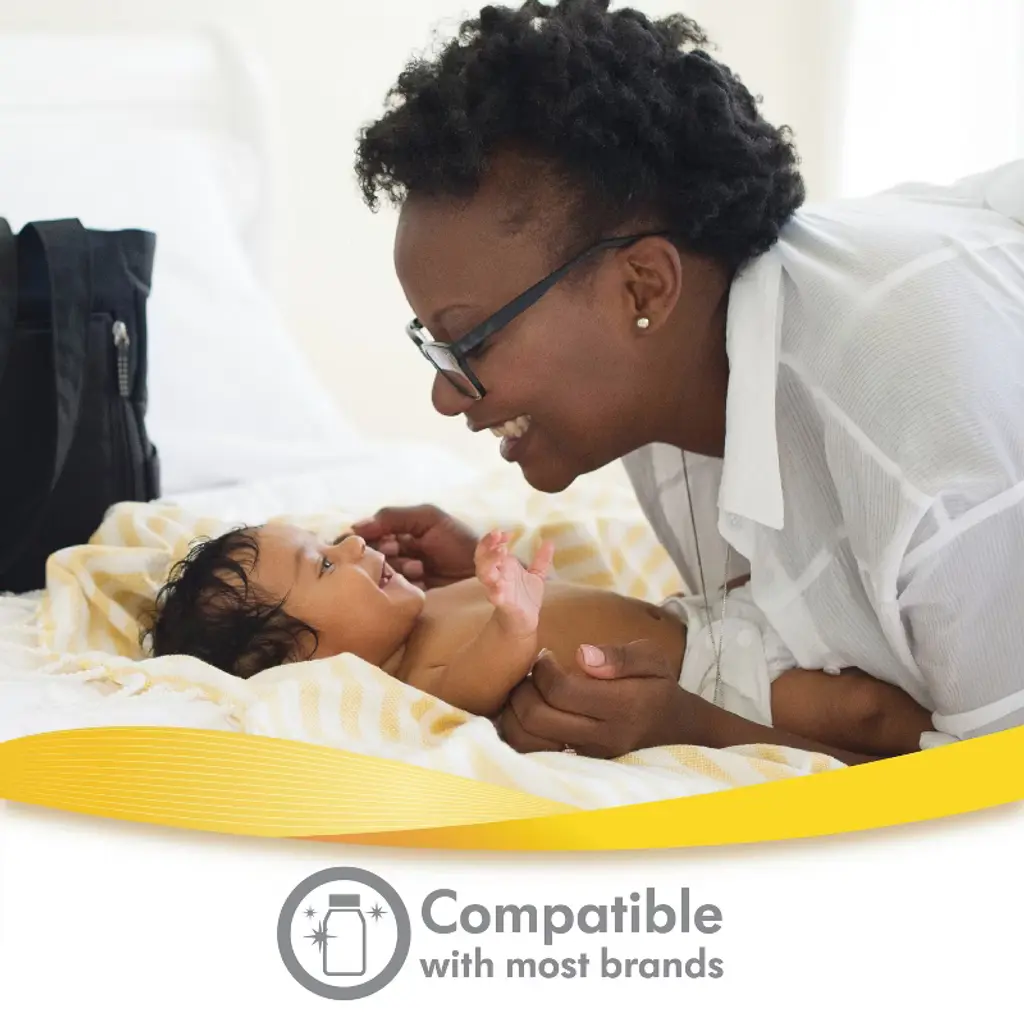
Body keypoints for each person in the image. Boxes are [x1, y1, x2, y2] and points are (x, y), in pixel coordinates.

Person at [351, 0, 1024, 758]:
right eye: (436, 347)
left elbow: (998, 797)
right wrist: (503, 597)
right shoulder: (674, 387)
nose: (445, 395)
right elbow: (798, 640)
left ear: (643, 288)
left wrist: (699, 733)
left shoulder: (926, 441)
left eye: (470, 340)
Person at [144, 522, 931, 763]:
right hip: (713, 681)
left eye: (329, 540)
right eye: (323, 565)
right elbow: (475, 685)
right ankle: (954, 761)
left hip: (704, 624)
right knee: (862, 710)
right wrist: (515, 622)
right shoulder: (413, 678)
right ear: (299, 660)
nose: (351, 544)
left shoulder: (422, 611)